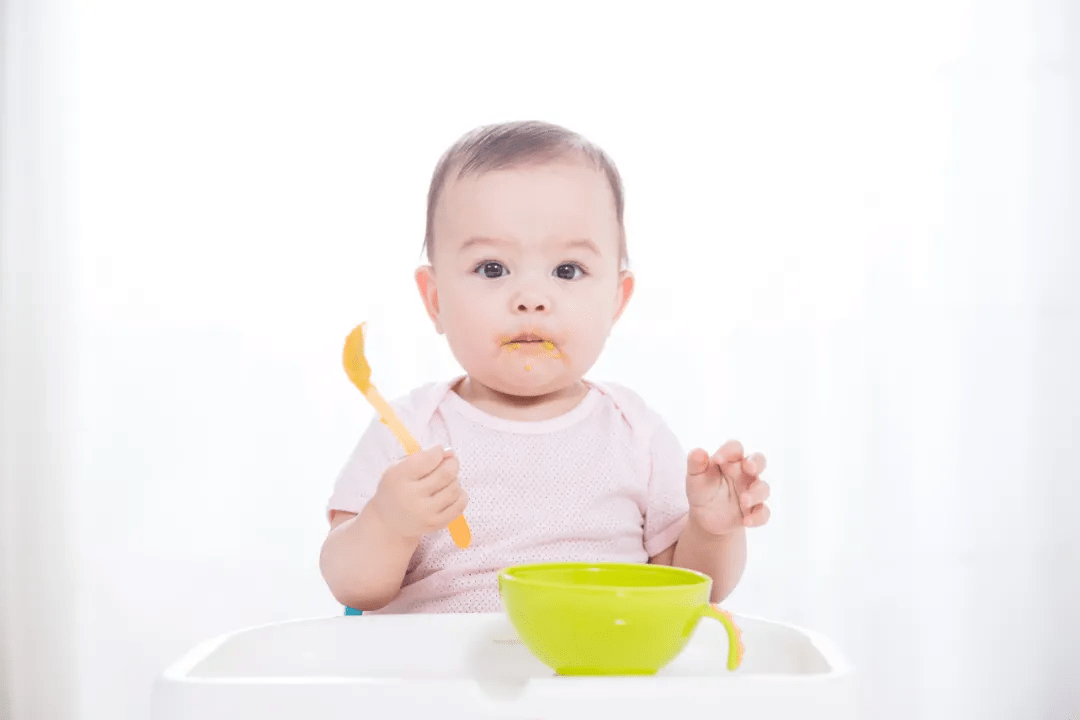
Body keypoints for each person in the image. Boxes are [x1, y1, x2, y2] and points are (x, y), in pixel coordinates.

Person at [320, 121, 772, 614]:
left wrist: (712, 530)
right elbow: (351, 587)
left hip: (595, 677)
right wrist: (388, 522)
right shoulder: (408, 429)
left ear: (616, 302)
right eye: (492, 269)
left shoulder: (633, 430)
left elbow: (693, 588)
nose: (532, 299)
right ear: (435, 301)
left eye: (567, 271)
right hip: (444, 681)